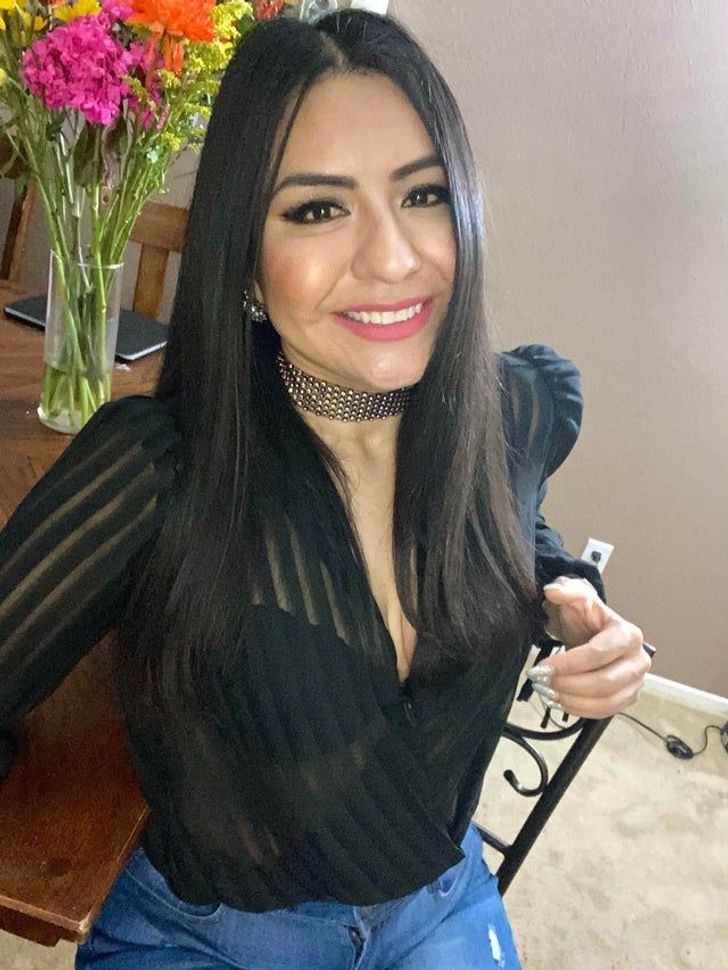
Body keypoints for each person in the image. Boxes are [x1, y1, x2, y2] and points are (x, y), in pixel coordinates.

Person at [0, 9, 651, 969]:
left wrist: (565, 595)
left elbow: (514, 510)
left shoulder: (511, 408)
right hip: (206, 937)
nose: (392, 257)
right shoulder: (158, 472)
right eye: (316, 209)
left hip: (438, 904)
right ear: (243, 258)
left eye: (423, 194)